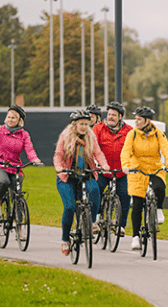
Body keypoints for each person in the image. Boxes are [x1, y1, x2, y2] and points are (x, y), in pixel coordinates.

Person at [54, 109, 109, 256]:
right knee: (70, 207)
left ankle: (91, 222)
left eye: (86, 124)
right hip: (67, 177)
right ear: (74, 125)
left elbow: (98, 153)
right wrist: (59, 168)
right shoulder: (65, 136)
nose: (84, 127)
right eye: (81, 124)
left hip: (85, 175)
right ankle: (65, 239)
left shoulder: (91, 137)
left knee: (95, 191)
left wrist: (104, 166)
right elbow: (58, 155)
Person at [121, 106, 168, 250]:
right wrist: (126, 165)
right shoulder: (132, 134)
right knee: (138, 204)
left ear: (147, 121)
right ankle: (135, 237)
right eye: (136, 119)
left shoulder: (158, 134)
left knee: (159, 186)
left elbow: (166, 150)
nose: (136, 122)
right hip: (137, 169)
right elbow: (126, 151)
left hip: (154, 167)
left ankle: (158, 208)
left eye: (139, 119)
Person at [93, 101, 132, 237]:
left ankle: (120, 225)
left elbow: (133, 149)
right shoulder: (98, 128)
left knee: (125, 195)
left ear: (120, 116)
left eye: (114, 115)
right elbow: (93, 147)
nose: (110, 117)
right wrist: (96, 163)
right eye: (109, 114)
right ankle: (96, 218)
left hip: (121, 171)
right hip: (103, 171)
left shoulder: (129, 131)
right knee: (96, 190)